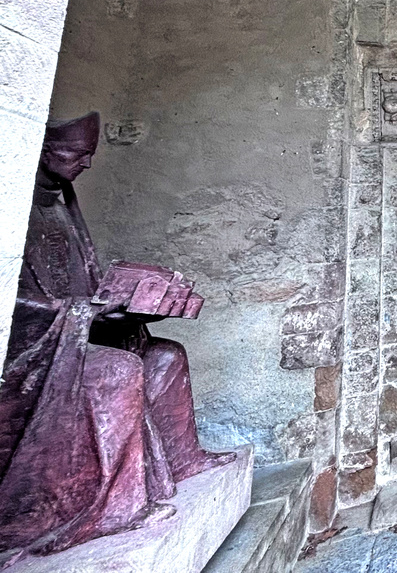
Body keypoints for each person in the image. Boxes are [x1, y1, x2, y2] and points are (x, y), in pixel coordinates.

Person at [0, 112, 230, 561]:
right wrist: (83, 313)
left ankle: (184, 460)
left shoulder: (62, 204)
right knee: (118, 370)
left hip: (74, 332)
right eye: (76, 154)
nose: (85, 163)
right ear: (43, 151)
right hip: (34, 351)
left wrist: (129, 307)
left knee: (166, 357)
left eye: (89, 154)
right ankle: (113, 509)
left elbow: (84, 286)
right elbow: (15, 304)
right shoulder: (13, 204)